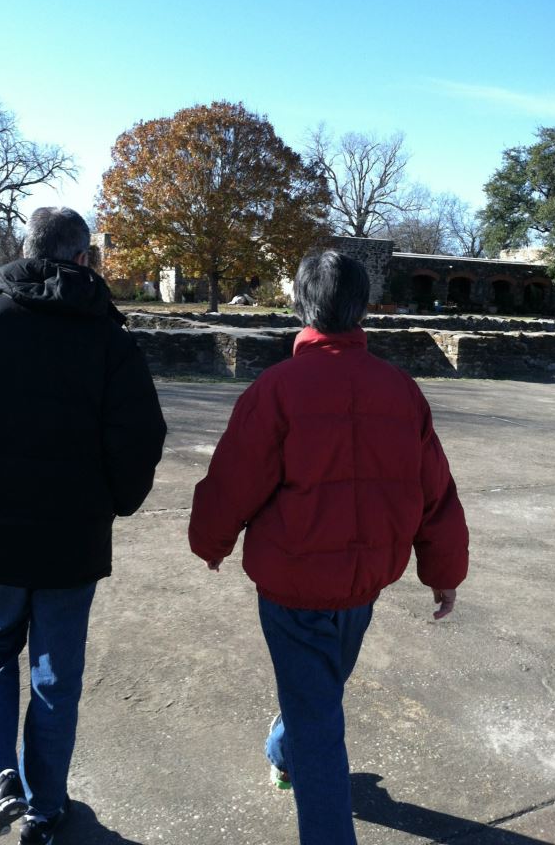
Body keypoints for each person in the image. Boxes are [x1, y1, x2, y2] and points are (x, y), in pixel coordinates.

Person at [188, 249, 468, 845]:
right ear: (362, 308)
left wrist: (212, 540)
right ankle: (292, 760)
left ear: (299, 304)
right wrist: (443, 570)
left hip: (295, 584)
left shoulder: (278, 388)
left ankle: (290, 759)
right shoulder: (399, 390)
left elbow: (232, 479)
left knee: (315, 702)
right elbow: (437, 490)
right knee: (318, 701)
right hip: (359, 583)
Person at [0, 207, 167, 845]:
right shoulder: (107, 335)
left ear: (26, 251)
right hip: (71, 536)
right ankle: (45, 807)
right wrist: (116, 501)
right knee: (55, 672)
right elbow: (139, 435)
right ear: (81, 259)